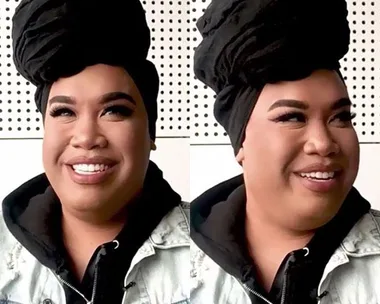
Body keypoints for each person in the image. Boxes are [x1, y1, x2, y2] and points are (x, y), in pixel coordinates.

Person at [190, 0, 380, 303]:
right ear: (241, 142)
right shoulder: (174, 269)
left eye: (341, 117)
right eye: (292, 117)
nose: (323, 143)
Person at [0, 0, 189, 303]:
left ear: (150, 131)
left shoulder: (214, 257)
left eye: (114, 111)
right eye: (64, 112)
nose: (87, 137)